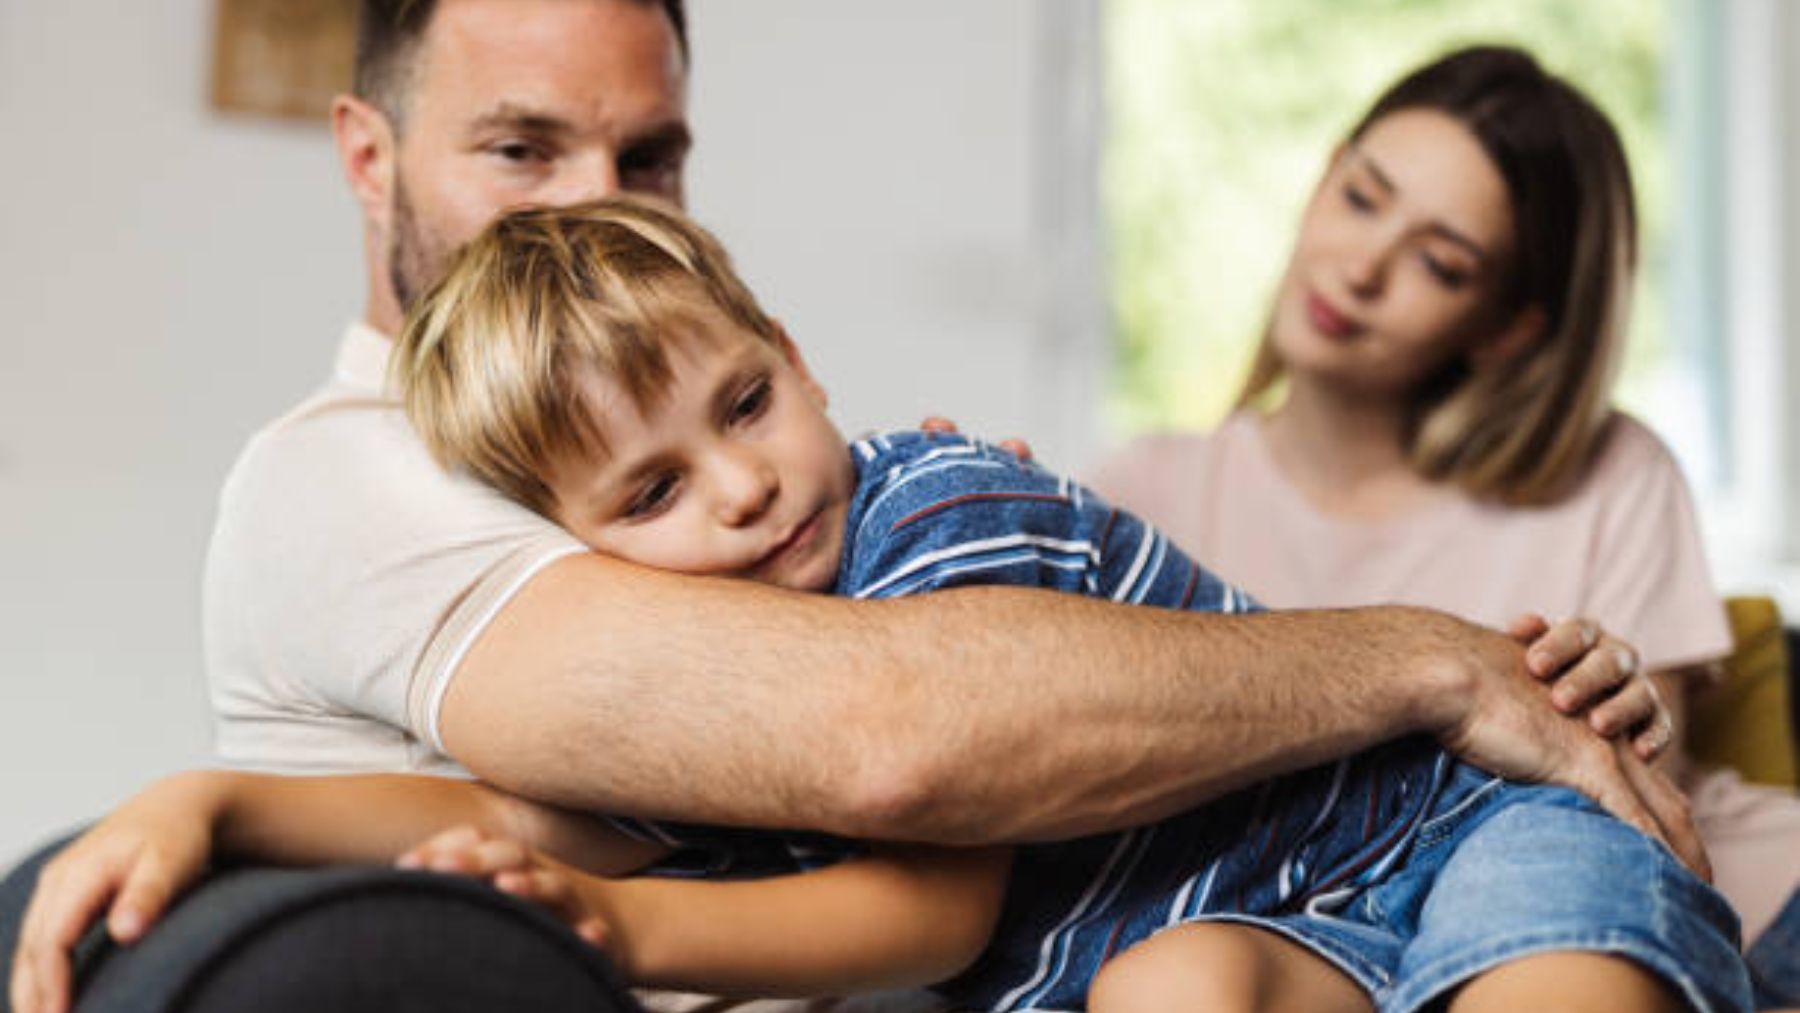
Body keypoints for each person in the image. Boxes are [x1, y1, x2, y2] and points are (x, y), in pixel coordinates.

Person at [0, 4, 1694, 1010]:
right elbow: (591, 815)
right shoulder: (353, 471)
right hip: (1215, 919)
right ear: (371, 156)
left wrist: (1460, 673)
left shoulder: (863, 511)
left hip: (1439, 823)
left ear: (789, 355)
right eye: (521, 150)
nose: (735, 490)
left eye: (649, 156)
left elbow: (860, 785)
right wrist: (212, 798)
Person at [1085, 44, 1800, 1010]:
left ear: (1508, 327)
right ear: (1323, 175)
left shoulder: (1611, 473)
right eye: (1361, 196)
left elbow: (1627, 812)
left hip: (1731, 918)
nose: (1362, 267)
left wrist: (1609, 694)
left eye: (1438, 261)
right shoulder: (1139, 494)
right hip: (1332, 950)